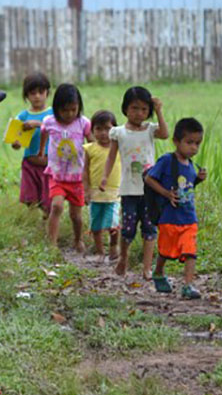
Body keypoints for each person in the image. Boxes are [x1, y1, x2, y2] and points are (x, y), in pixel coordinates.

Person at [99, 86, 169, 277]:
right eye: (134, 108)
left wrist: (159, 110)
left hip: (150, 189)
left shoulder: (149, 130)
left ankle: (147, 267)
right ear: (125, 108)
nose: (139, 113)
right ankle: (123, 259)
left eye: (144, 110)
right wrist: (105, 176)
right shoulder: (118, 132)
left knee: (149, 228)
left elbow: (165, 134)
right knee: (128, 228)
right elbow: (111, 157)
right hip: (129, 189)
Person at [144, 117, 208, 300]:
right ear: (176, 141)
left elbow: (186, 188)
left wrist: (198, 180)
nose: (193, 148)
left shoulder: (191, 165)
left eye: (197, 143)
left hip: (189, 217)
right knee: (165, 251)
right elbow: (149, 178)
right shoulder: (167, 160)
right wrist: (166, 193)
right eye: (189, 142)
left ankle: (188, 285)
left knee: (190, 251)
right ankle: (158, 272)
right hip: (168, 217)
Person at [42, 83, 92, 252]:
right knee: (56, 206)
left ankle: (78, 240)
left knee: (76, 215)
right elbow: (43, 133)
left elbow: (92, 144)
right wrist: (42, 151)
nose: (69, 114)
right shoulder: (50, 122)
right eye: (65, 110)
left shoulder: (83, 123)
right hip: (57, 175)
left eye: (73, 109)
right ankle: (52, 244)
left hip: (77, 177)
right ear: (57, 108)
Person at [83, 110, 121, 260]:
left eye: (108, 129)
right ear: (92, 130)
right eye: (98, 129)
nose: (103, 133)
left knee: (113, 223)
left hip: (114, 193)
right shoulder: (89, 149)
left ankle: (113, 246)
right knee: (96, 224)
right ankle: (99, 251)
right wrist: (86, 190)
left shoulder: (119, 148)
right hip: (95, 193)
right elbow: (85, 171)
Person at [13, 72, 52, 214]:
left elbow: (57, 131)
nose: (37, 96)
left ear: (47, 92)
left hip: (49, 164)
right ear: (26, 95)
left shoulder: (53, 114)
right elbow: (15, 140)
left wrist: (37, 124)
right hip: (29, 164)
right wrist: (16, 144)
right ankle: (32, 225)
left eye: (41, 92)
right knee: (31, 199)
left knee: (48, 201)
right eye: (32, 93)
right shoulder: (23, 116)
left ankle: (48, 224)